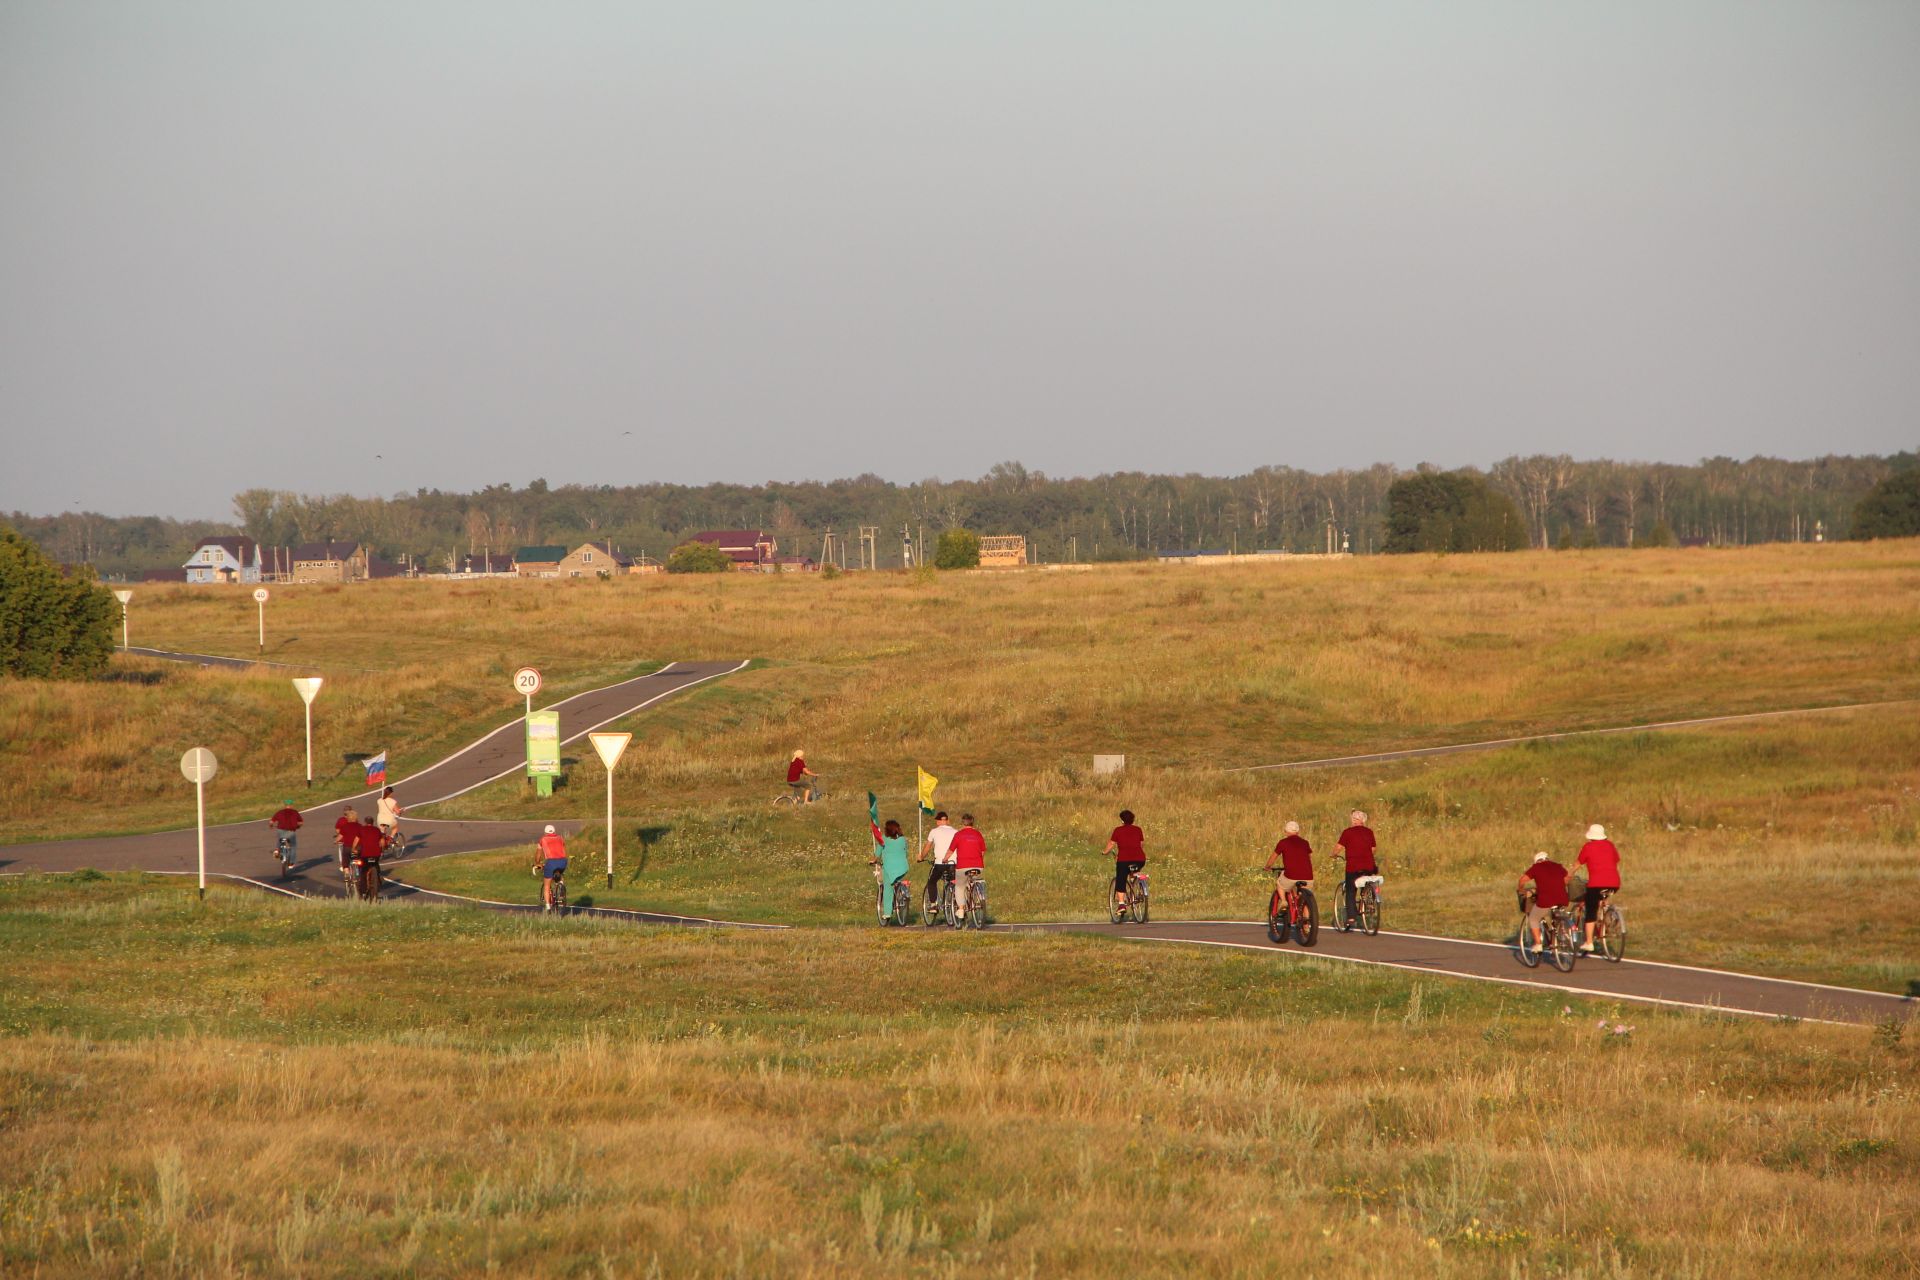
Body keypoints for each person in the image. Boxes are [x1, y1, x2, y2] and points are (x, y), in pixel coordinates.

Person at [1574, 823, 1622, 953]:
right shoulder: (1610, 845)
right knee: (1601, 898)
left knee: (1591, 909)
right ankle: (1606, 917)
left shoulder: (1588, 847)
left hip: (1596, 884)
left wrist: (1568, 875)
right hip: (1614, 883)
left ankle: (1589, 942)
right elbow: (1615, 860)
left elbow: (1578, 864)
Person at [1516, 851, 1571, 955]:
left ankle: (1538, 944)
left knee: (1533, 918)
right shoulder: (1558, 866)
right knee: (1554, 916)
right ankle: (1558, 935)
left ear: (1537, 861)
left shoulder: (1536, 867)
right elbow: (1567, 878)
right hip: (1563, 898)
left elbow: (1522, 880)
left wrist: (1521, 889)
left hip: (1546, 900)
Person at [1335, 810, 1378, 929]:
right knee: (1368, 882)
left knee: (1350, 890)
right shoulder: (1369, 832)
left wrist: (1333, 854)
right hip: (1369, 865)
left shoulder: (1347, 832)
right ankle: (1369, 902)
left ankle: (1351, 917)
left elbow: (1338, 847)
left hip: (1353, 866)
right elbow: (1373, 849)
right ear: (1363, 821)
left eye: (1353, 818)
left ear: (1354, 820)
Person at [1265, 820, 1314, 913]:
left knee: (1280, 884)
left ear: (1286, 831)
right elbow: (1309, 857)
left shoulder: (1283, 842)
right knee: (1305, 899)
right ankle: (1306, 924)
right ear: (1298, 832)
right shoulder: (1305, 843)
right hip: (1308, 877)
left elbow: (1273, 857)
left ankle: (1283, 901)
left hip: (1291, 876)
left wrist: (1267, 866)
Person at [870, 817, 911, 922]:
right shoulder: (903, 839)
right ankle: (901, 891)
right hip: (903, 868)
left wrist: (873, 860)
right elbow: (906, 853)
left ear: (887, 829)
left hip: (889, 868)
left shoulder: (883, 839)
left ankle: (887, 913)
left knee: (888, 888)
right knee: (896, 880)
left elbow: (877, 853)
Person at [1104, 809, 1146, 912]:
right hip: (1140, 859)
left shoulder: (1118, 830)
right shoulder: (1138, 829)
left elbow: (1111, 844)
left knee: (1121, 879)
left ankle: (1121, 905)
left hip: (1124, 860)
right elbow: (1141, 844)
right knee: (1133, 870)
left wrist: (1105, 852)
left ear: (1122, 820)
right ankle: (1134, 883)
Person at [919, 810, 958, 918]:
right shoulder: (956, 831)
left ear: (938, 821)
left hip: (940, 863)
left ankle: (933, 905)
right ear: (947, 821)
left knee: (931, 882)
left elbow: (928, 846)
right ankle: (957, 905)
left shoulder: (934, 831)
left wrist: (921, 857)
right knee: (955, 882)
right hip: (954, 863)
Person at [949, 814, 986, 917]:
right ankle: (975, 895)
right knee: (973, 880)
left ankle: (961, 909)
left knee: (960, 886)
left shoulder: (959, 835)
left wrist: (945, 859)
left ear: (962, 822)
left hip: (963, 866)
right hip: (978, 866)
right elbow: (983, 851)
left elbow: (951, 850)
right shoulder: (978, 834)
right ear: (972, 822)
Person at [535, 824, 569, 910]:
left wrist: (537, 863)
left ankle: (548, 907)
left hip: (551, 862)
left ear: (545, 832)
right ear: (554, 831)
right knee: (560, 874)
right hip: (563, 861)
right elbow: (562, 848)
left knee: (547, 885)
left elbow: (538, 854)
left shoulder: (543, 839)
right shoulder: (560, 838)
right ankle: (561, 886)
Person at [267, 800, 303, 868]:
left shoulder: (280, 812)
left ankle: (277, 850)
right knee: (293, 847)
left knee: (280, 838)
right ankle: (291, 863)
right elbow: (301, 822)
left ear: (285, 805)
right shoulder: (295, 812)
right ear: (291, 805)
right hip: (291, 831)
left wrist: (271, 826)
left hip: (281, 830)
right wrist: (298, 826)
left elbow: (271, 821)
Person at [333, 805, 361, 877]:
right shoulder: (359, 826)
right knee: (360, 856)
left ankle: (346, 871)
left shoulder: (344, 826)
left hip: (348, 847)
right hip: (358, 847)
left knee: (345, 857)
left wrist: (335, 841)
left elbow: (339, 834)